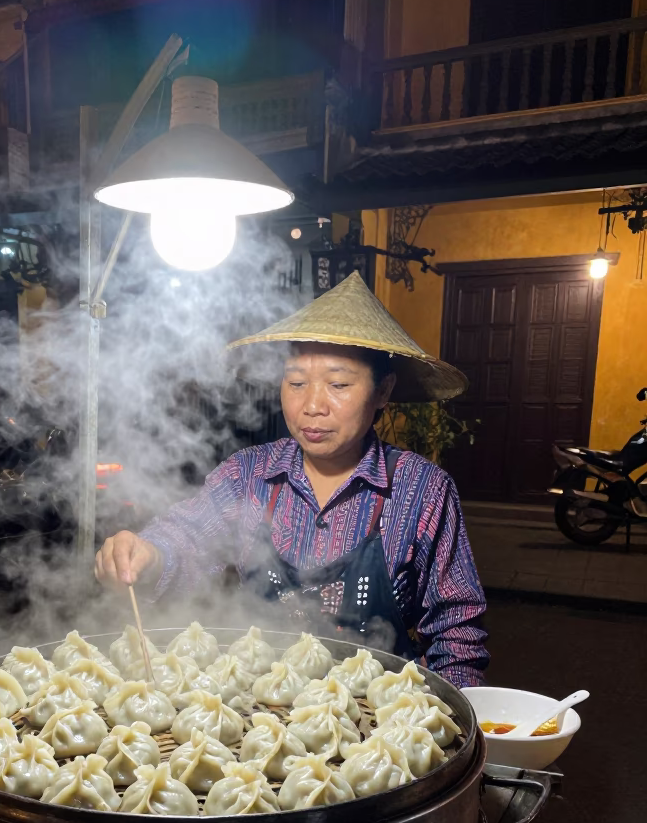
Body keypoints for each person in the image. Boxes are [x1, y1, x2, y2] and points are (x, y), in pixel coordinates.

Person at [96, 272, 488, 687]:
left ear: (383, 391)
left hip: (378, 723)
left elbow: (456, 632)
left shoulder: (421, 488)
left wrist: (453, 726)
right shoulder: (249, 474)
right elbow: (187, 537)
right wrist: (149, 554)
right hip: (261, 707)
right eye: (296, 382)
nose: (312, 405)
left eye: (338, 384)